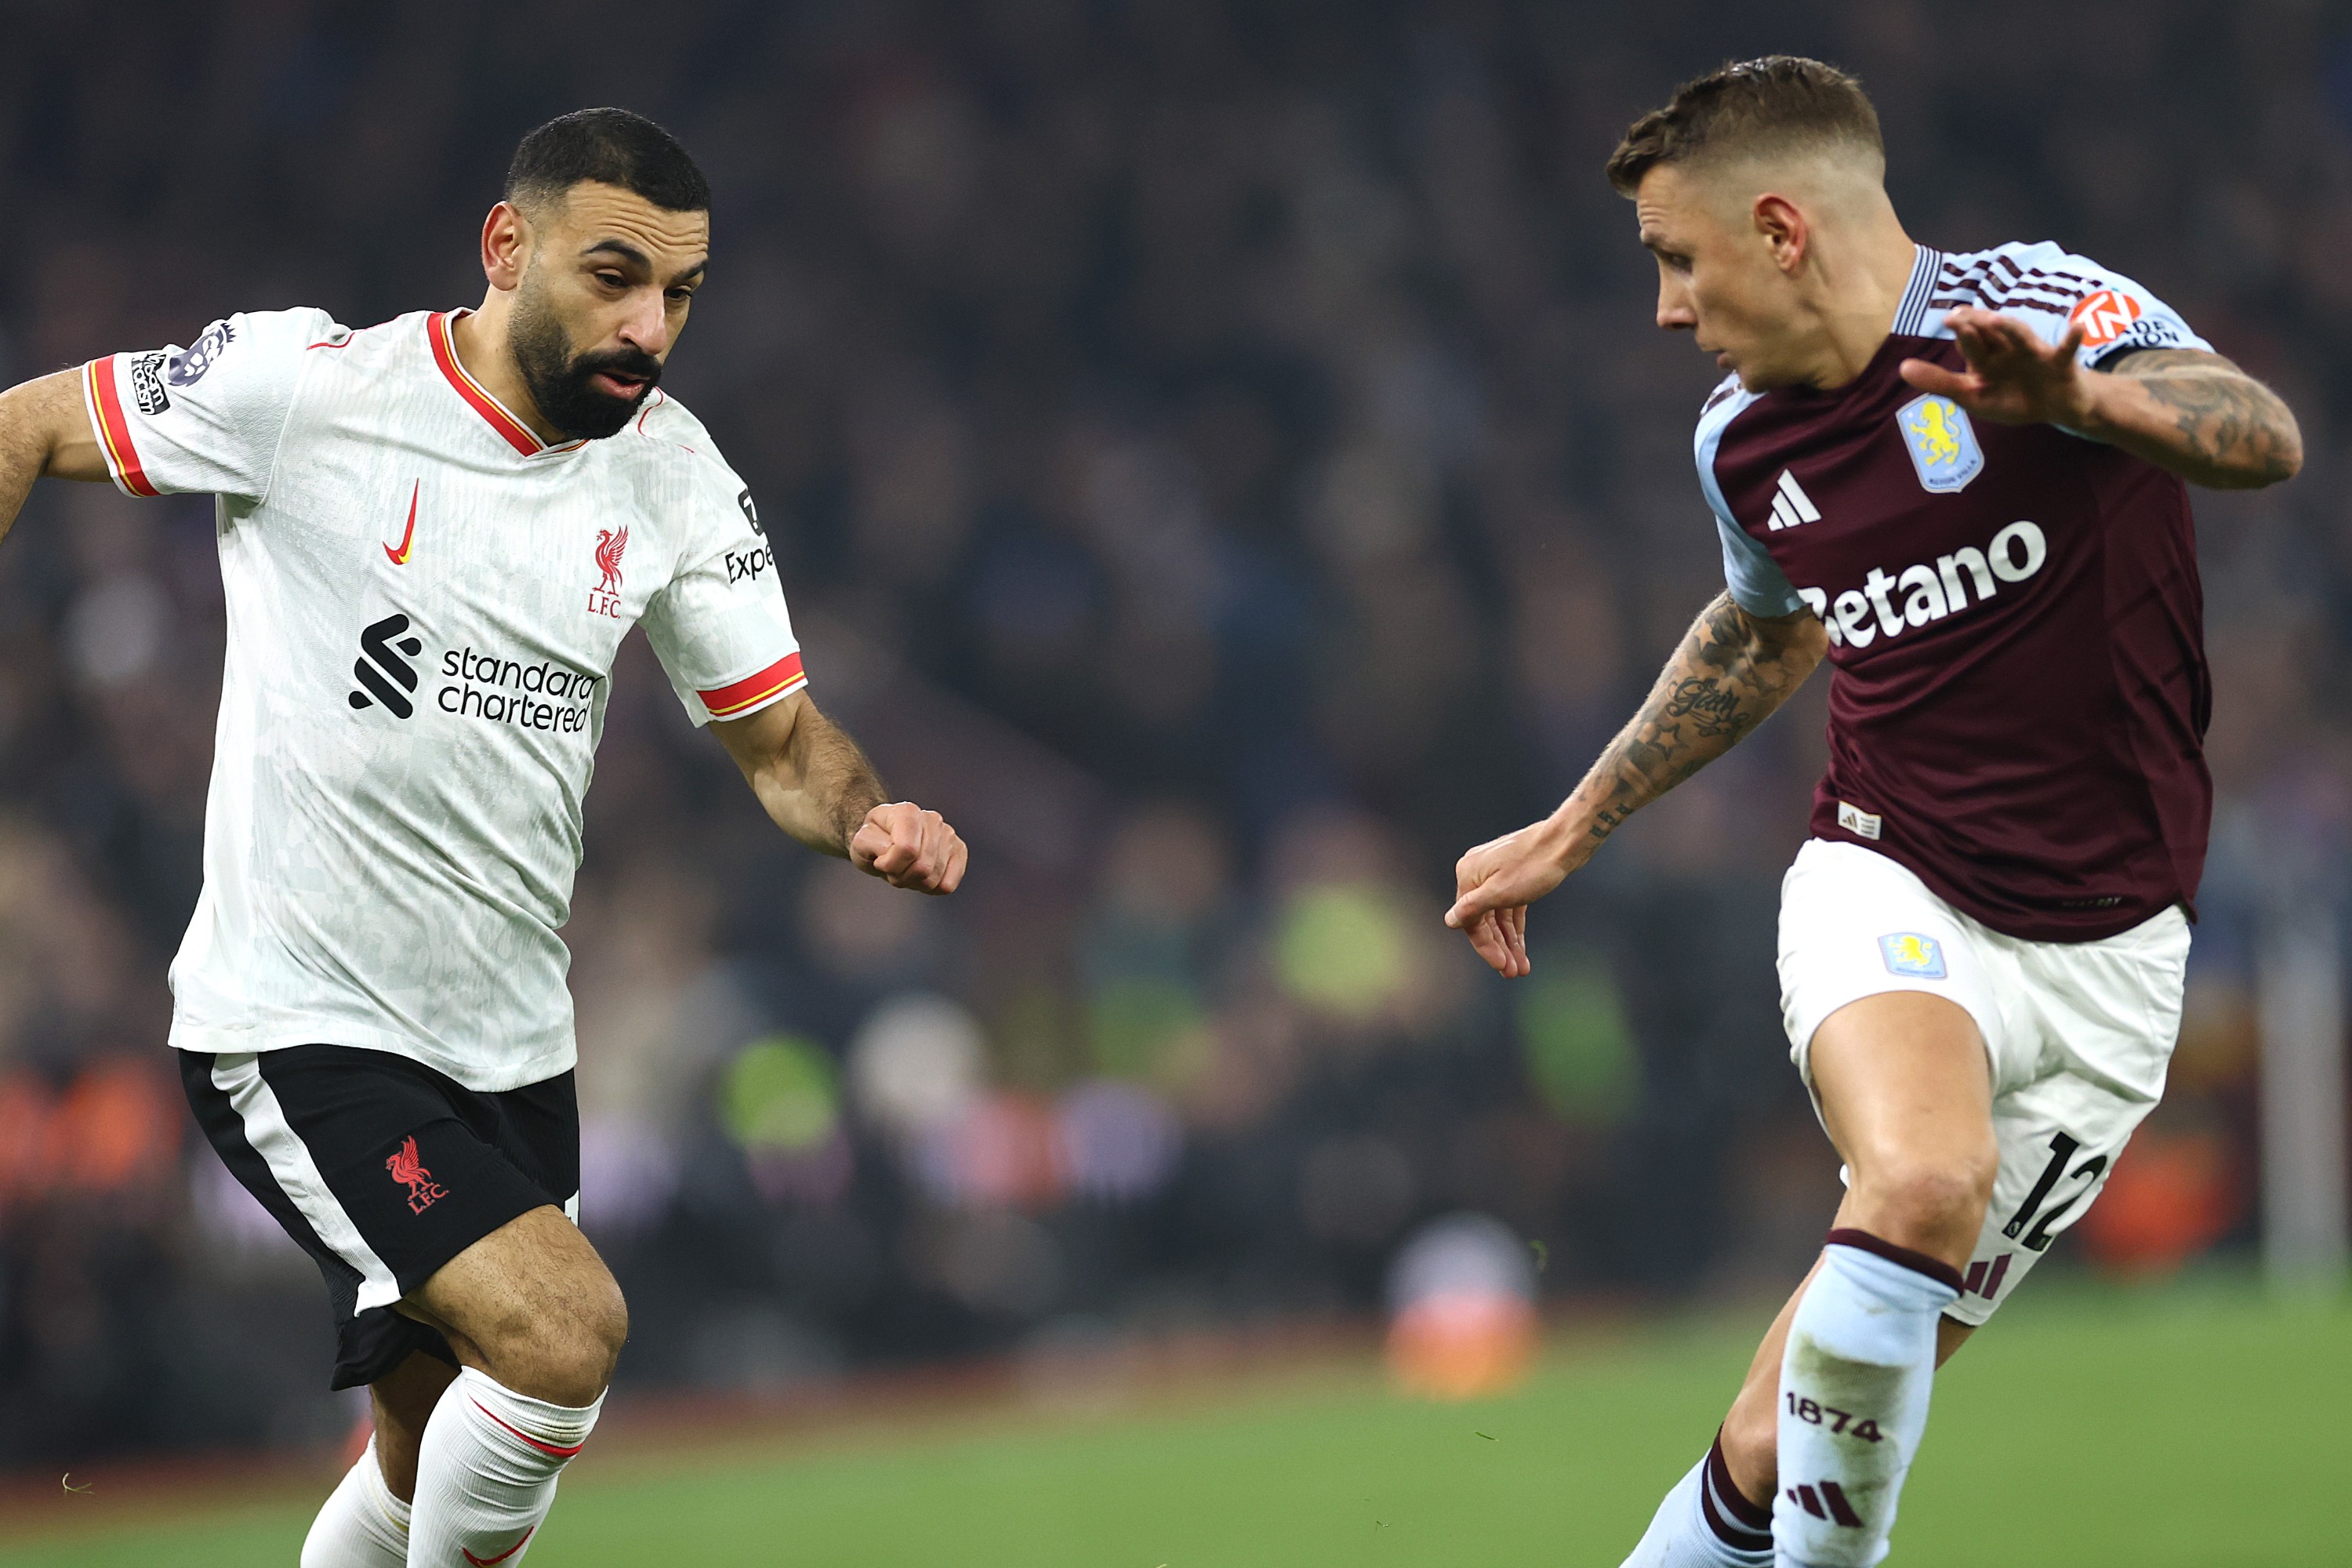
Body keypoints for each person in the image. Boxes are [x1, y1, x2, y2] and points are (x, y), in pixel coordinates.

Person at [0, 108, 967, 1566]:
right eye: (614, 275)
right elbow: (24, 424)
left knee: (417, 1452)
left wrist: (865, 816)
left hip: (511, 1045)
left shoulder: (670, 469)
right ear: (506, 247)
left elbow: (780, 745)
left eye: (682, 294)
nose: (650, 326)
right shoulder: (306, 388)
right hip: (302, 1019)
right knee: (564, 1333)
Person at [1443, 56, 2299, 1568]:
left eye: (1675, 258)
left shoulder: (2039, 305)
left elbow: (2260, 434)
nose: (1665, 308)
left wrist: (2084, 400)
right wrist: (1578, 822)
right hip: (1891, 886)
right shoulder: (1740, 441)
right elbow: (1767, 625)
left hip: (2112, 973)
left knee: (1780, 1440)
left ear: (1780, 228)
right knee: (1919, 1176)